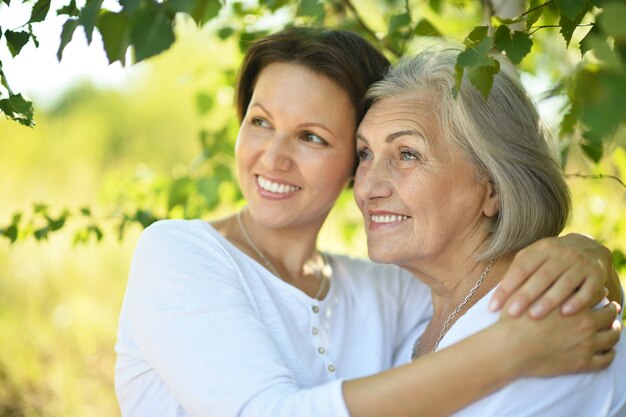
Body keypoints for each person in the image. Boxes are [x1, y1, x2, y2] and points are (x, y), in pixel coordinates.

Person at [114, 27, 622, 417]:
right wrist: (508, 352)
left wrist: (582, 253)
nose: (273, 157)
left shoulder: (392, 290)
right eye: (260, 121)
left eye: (312, 136)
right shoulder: (180, 253)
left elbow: (477, 277)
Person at [353, 41, 626, 416]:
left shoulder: (553, 323)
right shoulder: (419, 321)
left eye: (407, 154)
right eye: (365, 154)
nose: (367, 187)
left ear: (494, 187)